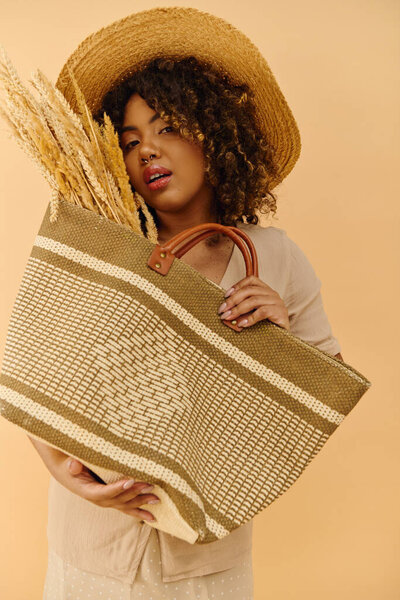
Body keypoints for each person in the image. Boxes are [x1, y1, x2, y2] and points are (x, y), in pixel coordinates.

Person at [26, 7, 343, 598]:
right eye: (129, 140)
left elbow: (319, 396)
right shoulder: (99, 242)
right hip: (89, 554)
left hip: (209, 563)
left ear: (214, 131)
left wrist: (274, 335)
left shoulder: (274, 257)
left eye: (167, 127)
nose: (147, 150)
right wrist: (64, 472)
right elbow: (43, 366)